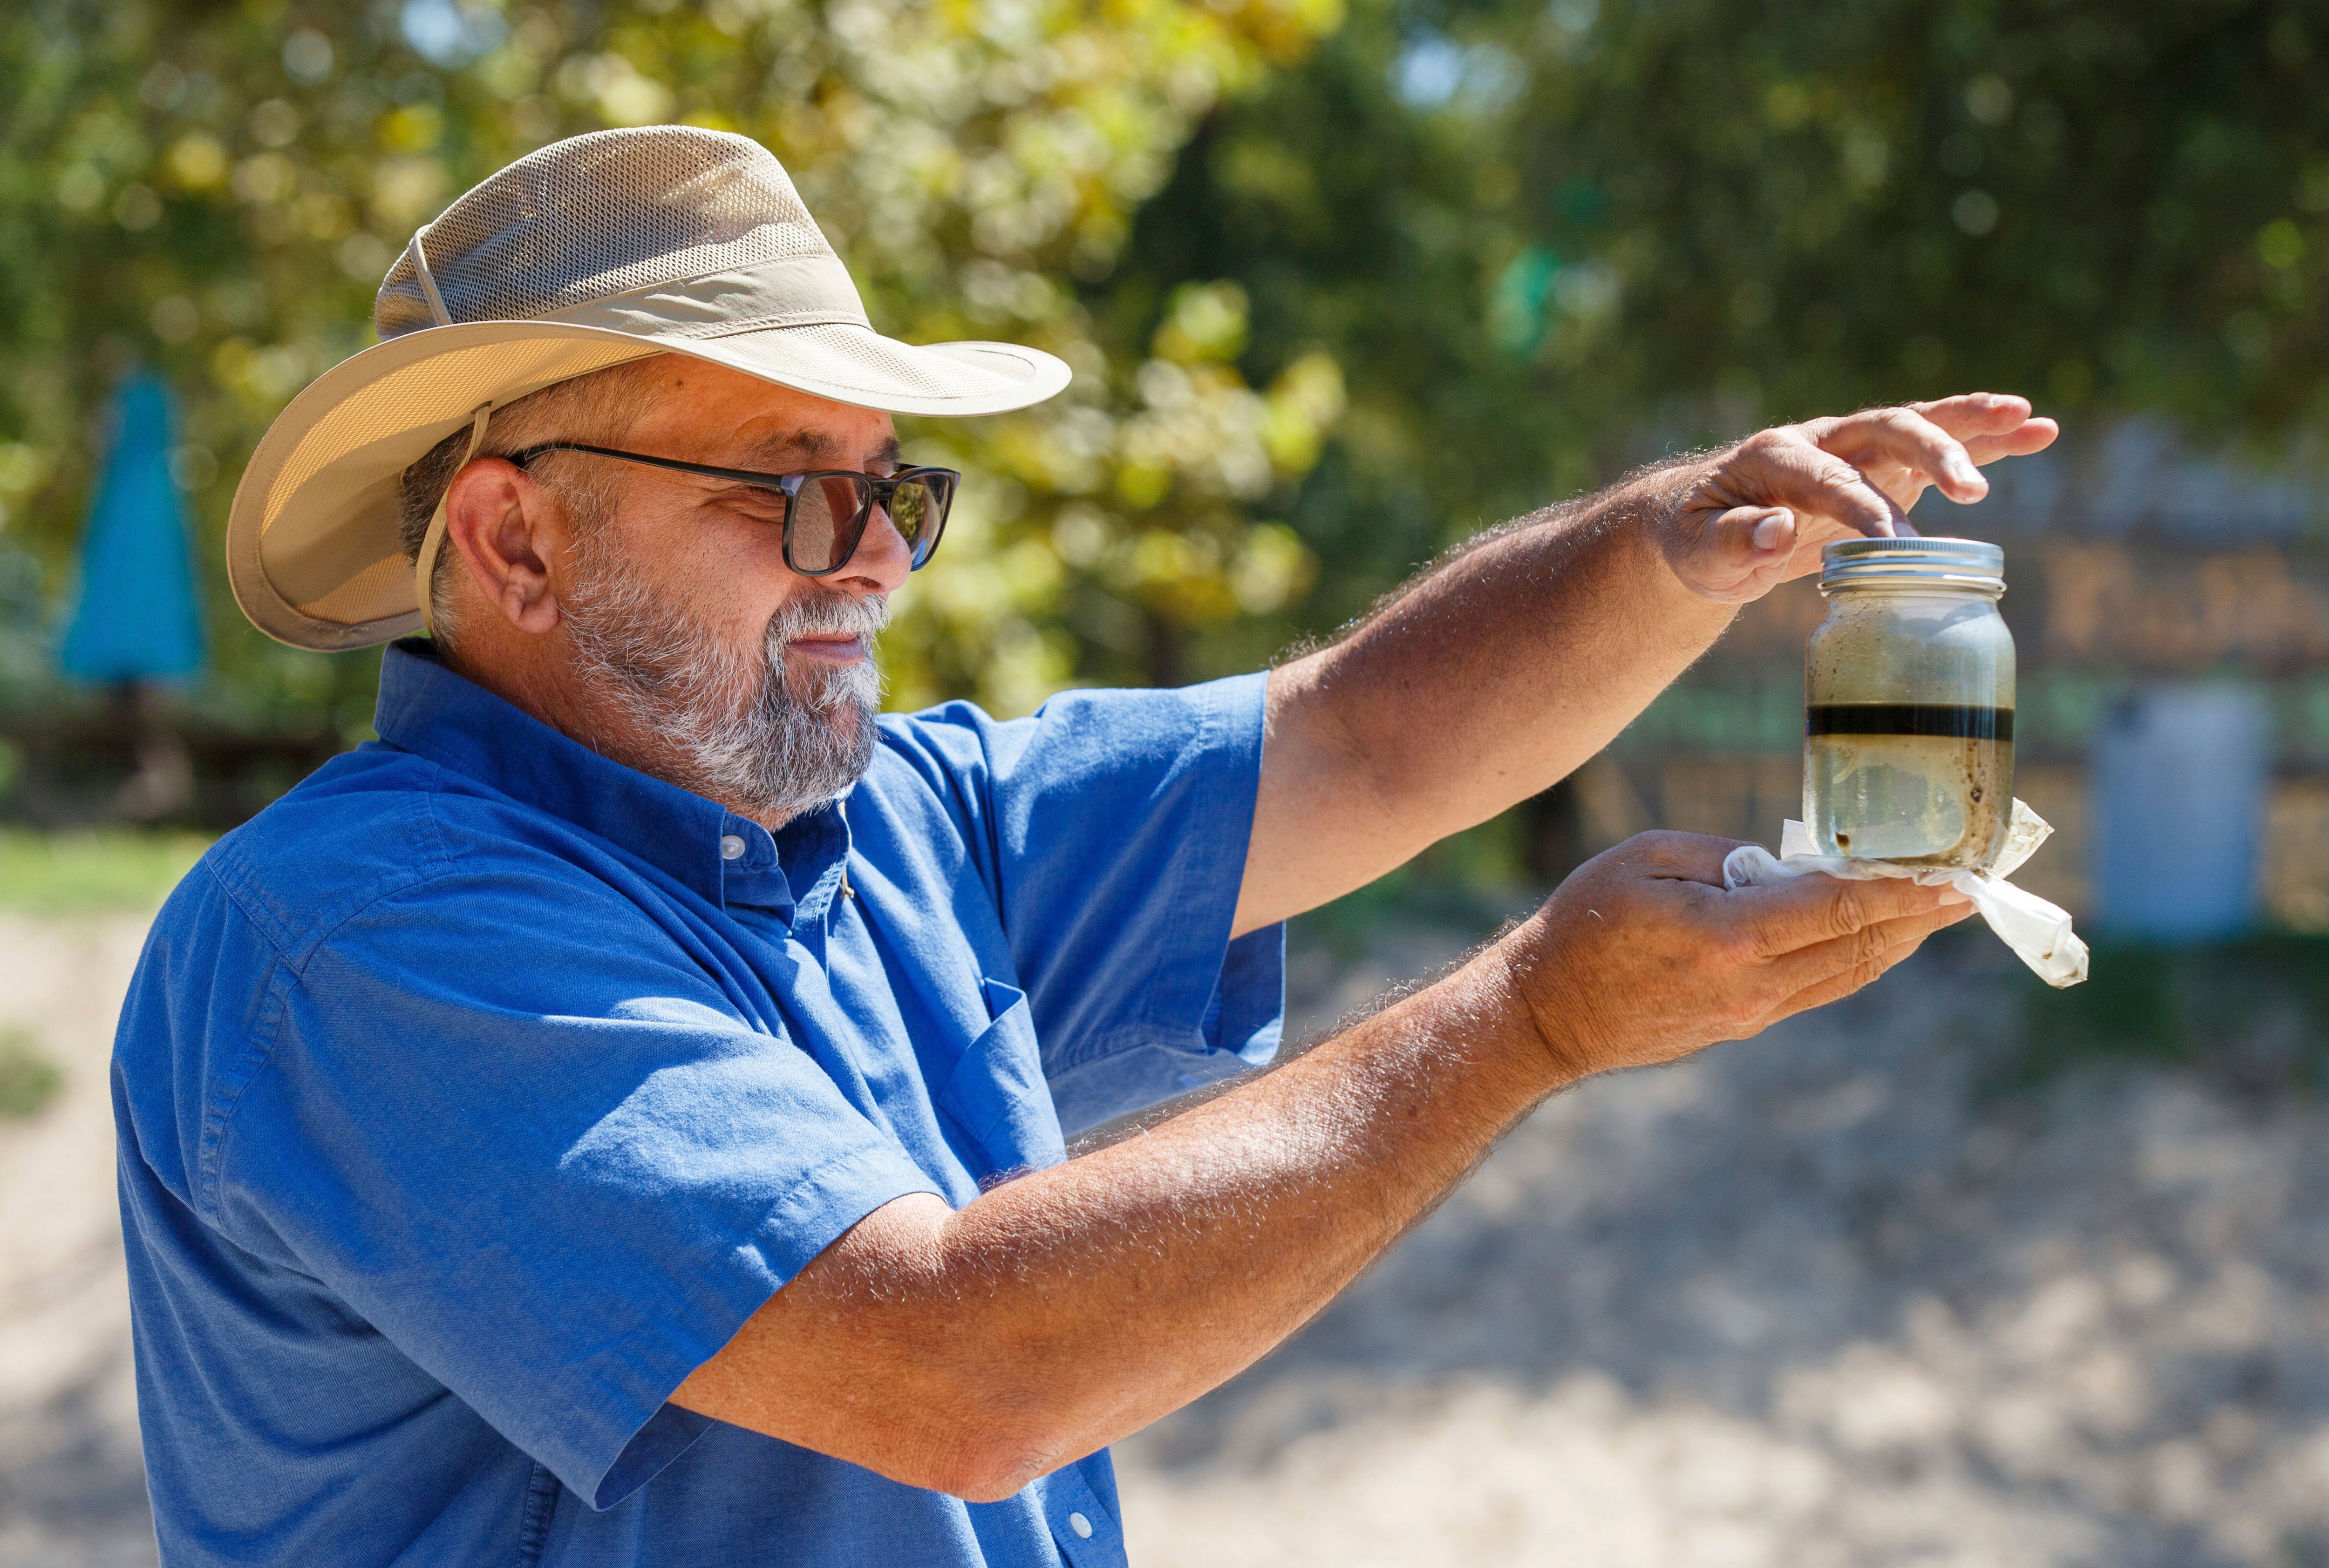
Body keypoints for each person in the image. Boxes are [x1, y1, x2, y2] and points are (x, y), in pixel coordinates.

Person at [112, 127, 2052, 1567]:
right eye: (789, 489)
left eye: (888, 491)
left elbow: (1360, 735)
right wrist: (1529, 1021)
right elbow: (954, 1361)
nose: (870, 555)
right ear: (514, 542)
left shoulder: (883, 819)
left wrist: (1679, 535)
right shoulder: (351, 932)